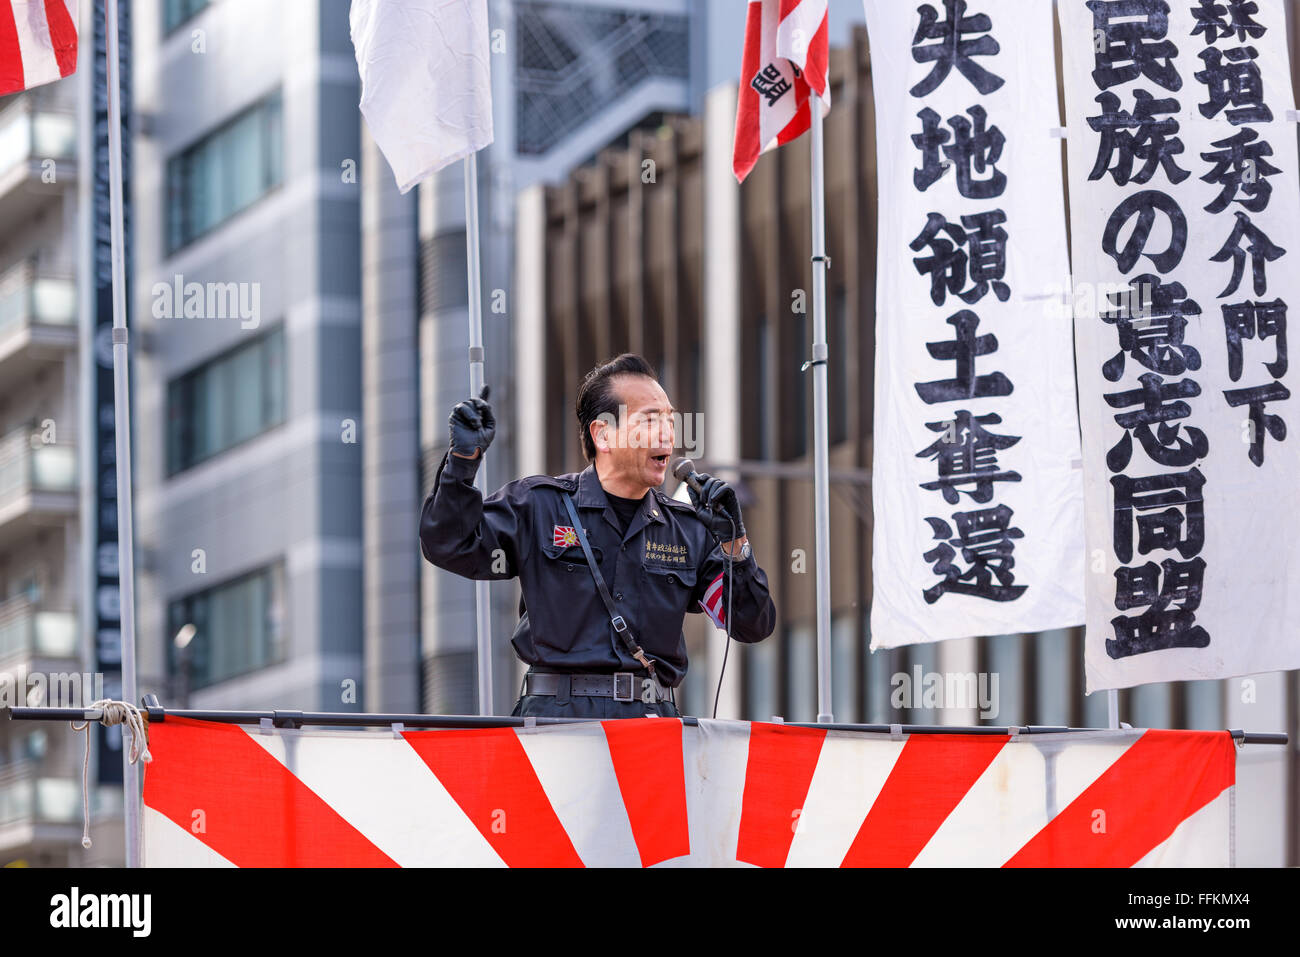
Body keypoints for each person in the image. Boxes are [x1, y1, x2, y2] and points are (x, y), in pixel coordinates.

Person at [420, 353, 777, 718]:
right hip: (556, 725)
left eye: (671, 420)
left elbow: (752, 624)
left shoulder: (687, 528)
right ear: (603, 433)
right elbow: (449, 544)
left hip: (651, 729)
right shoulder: (538, 506)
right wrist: (463, 461)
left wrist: (735, 544)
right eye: (650, 420)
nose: (668, 433)